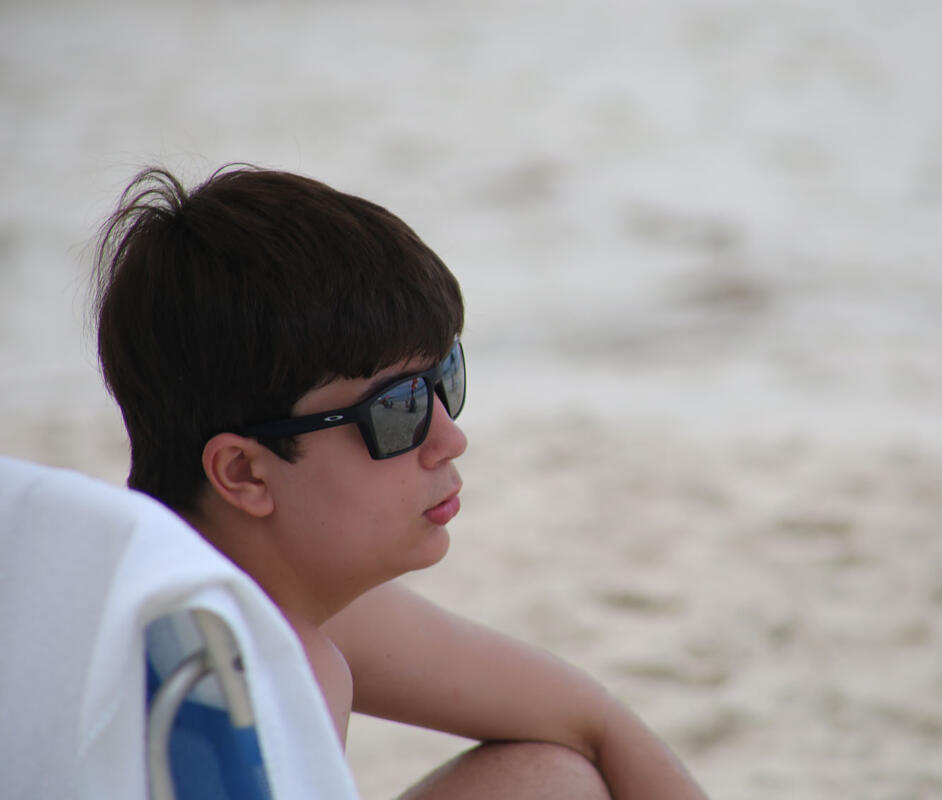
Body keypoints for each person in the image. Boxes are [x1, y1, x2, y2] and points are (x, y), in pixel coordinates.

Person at [92, 165, 708, 799]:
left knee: (549, 780)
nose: (450, 438)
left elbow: (593, 719)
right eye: (397, 407)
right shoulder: (225, 677)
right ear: (244, 473)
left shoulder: (208, 589)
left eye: (446, 377)